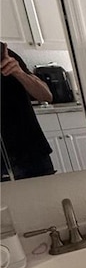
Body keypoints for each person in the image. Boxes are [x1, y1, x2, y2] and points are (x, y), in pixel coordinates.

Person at [1, 41, 56, 180]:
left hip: (32, 153)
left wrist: (19, 73)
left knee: (49, 199)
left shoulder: (7, 56)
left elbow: (46, 95)